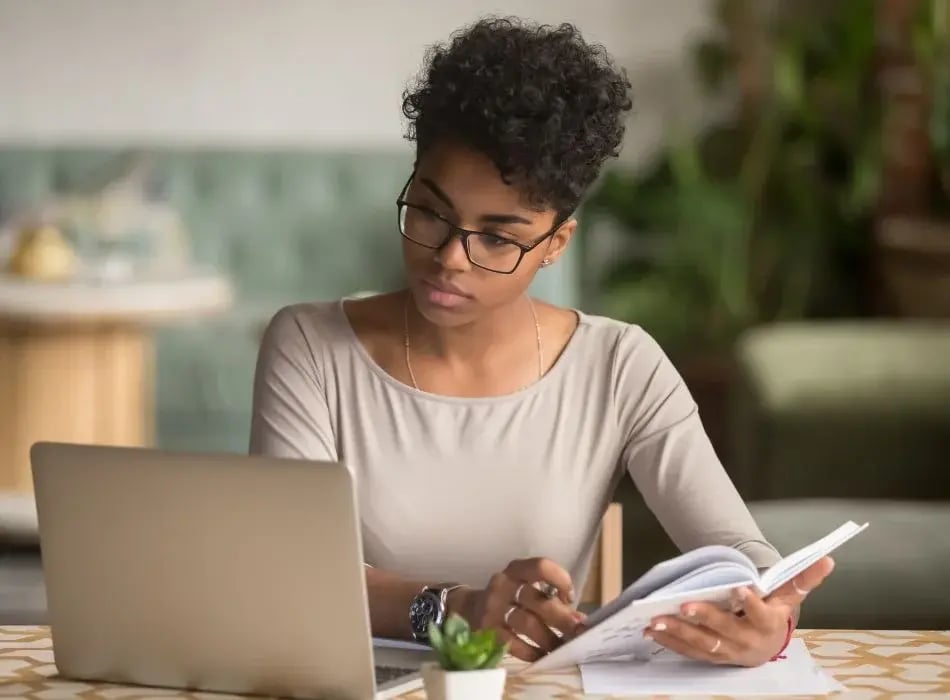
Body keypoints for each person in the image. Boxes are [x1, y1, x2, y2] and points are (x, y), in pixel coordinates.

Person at [249, 16, 834, 667]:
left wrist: (768, 619)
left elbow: (737, 549)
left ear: (556, 243)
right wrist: (454, 610)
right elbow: (289, 569)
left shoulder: (619, 366)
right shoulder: (307, 347)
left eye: (497, 237)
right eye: (430, 212)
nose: (450, 258)